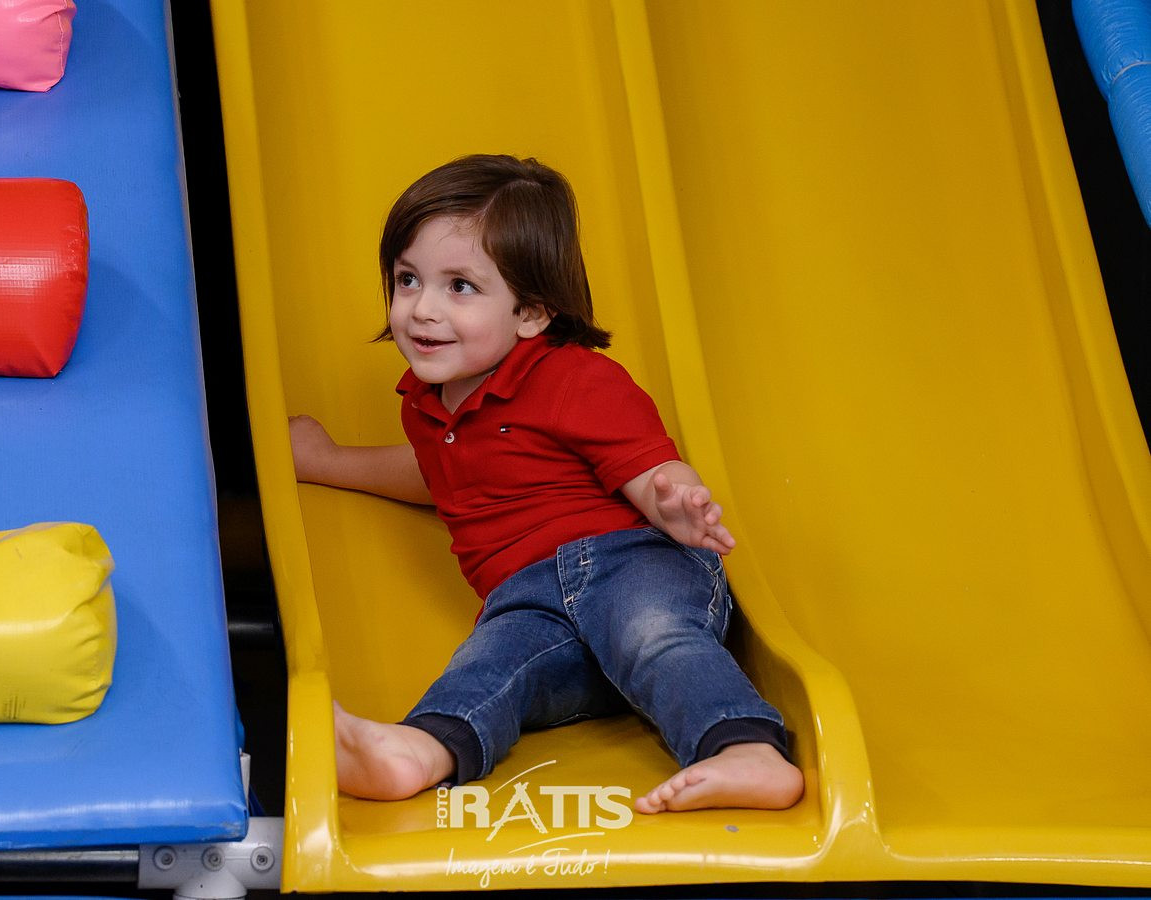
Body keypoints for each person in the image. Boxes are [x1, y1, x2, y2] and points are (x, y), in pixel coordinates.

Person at [289, 154, 803, 814]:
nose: (422, 309)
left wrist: (674, 500)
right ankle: (418, 751)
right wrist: (329, 460)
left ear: (531, 313)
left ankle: (745, 750)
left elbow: (648, 466)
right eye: (407, 279)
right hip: (527, 601)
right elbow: (438, 474)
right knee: (491, 664)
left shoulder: (574, 380)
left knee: (652, 635)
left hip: (629, 562)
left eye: (460, 287)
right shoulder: (425, 403)